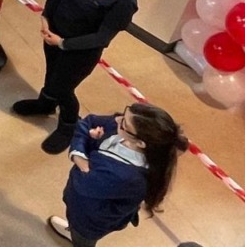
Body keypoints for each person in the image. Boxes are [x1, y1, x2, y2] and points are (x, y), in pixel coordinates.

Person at [12, 0, 140, 155]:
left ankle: (69, 124)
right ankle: (45, 103)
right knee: (52, 75)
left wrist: (63, 43)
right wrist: (46, 16)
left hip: (79, 50)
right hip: (54, 33)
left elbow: (102, 37)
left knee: (64, 88)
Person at [50, 103, 187, 246]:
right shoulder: (125, 129)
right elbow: (88, 122)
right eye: (123, 114)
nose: (116, 120)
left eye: (124, 123)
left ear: (140, 143)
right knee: (76, 226)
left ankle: (78, 238)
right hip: (87, 205)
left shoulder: (126, 176)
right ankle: (73, 230)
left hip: (90, 219)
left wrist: (83, 146)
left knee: (83, 239)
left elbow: (83, 183)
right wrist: (81, 157)